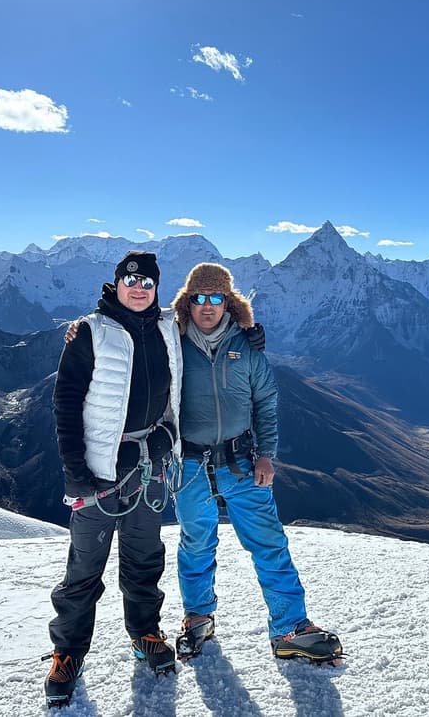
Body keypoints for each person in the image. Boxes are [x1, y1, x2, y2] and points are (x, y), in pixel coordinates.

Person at [169, 263, 342, 664]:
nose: (208, 306)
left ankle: (289, 628)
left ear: (228, 302)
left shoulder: (246, 348)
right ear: (187, 303)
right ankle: (198, 618)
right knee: (196, 544)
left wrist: (267, 453)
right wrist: (82, 328)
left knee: (269, 544)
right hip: (189, 464)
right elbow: (131, 329)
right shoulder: (171, 346)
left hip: (241, 462)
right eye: (199, 298)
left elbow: (266, 402)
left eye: (216, 298)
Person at [44, 251, 182, 708]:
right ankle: (67, 653)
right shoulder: (90, 331)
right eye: (131, 280)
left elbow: (212, 332)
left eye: (147, 283)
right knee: (84, 567)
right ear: (116, 283)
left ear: (157, 288)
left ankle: (144, 632)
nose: (139, 288)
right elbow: (65, 402)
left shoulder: (167, 327)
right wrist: (75, 471)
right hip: (101, 470)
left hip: (148, 463)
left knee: (145, 557)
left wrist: (251, 333)